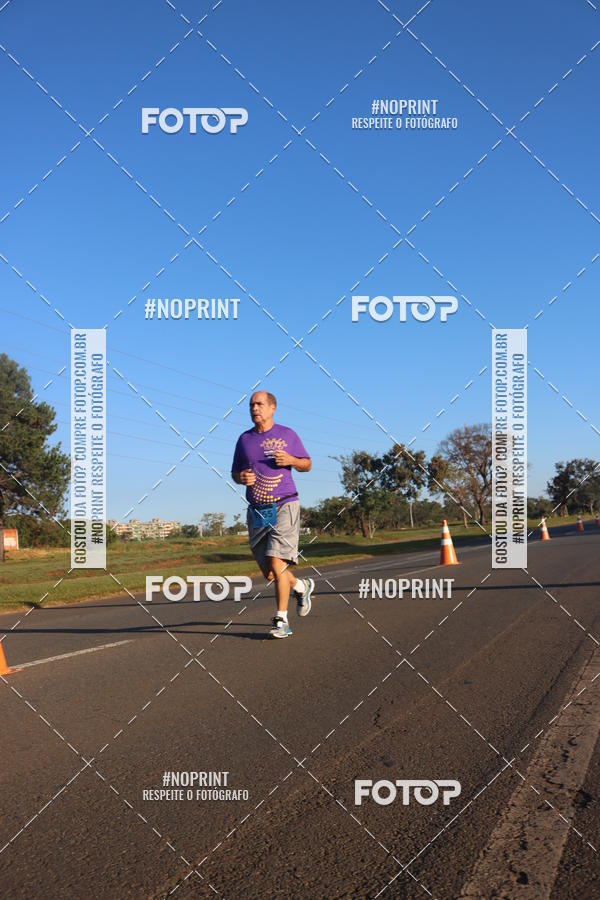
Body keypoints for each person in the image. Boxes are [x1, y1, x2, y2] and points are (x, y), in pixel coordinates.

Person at [231, 391, 315, 638]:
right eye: (251, 405)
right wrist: (241, 478)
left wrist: (291, 459)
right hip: (258, 509)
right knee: (269, 572)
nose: (254, 408)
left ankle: (281, 621)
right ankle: (301, 586)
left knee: (278, 562)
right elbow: (235, 473)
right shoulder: (244, 440)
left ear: (272, 408)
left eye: (259, 404)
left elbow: (307, 464)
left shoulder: (287, 435)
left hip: (285, 504)